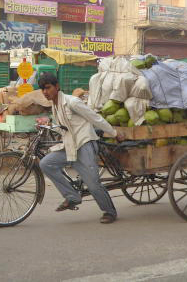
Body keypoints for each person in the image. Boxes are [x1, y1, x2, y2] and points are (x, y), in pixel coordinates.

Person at [36, 72, 123, 224]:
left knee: (93, 183)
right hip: (70, 146)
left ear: (57, 87)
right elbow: (64, 129)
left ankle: (109, 211)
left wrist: (113, 132)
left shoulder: (72, 102)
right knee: (46, 163)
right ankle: (72, 197)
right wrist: (49, 125)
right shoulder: (55, 106)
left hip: (84, 145)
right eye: (42, 89)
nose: (45, 92)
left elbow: (94, 118)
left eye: (48, 88)